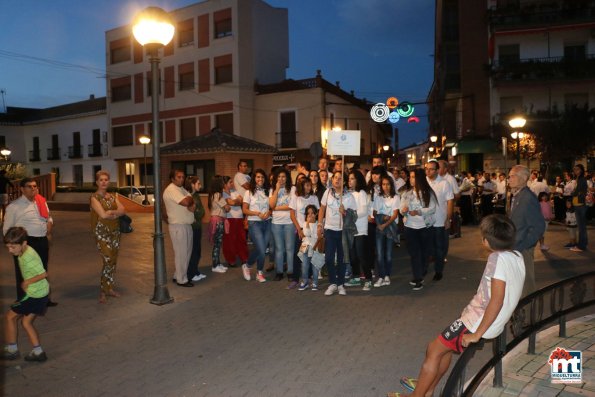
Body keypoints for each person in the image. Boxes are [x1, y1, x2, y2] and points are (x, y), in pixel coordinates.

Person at [393, 214, 525, 397]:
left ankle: (417, 396)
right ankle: (428, 390)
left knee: (433, 349)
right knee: (444, 349)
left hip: (477, 323)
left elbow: (497, 300)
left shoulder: (497, 259)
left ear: (486, 241)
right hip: (487, 321)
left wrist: (476, 334)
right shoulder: (517, 256)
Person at [3, 177, 56, 306]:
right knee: (23, 272)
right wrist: (13, 246)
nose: (33, 188)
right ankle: (23, 300)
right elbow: (7, 229)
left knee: (41, 269)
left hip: (41, 240)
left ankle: (43, 298)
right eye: (29, 186)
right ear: (22, 189)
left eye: (35, 186)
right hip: (25, 243)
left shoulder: (41, 201)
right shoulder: (14, 206)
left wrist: (50, 223)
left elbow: (48, 217)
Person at [3, 226, 50, 362]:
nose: (10, 250)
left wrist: (27, 281)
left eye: (13, 247)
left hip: (34, 295)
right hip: (41, 293)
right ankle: (38, 352)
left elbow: (43, 273)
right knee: (26, 322)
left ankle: (12, 350)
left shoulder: (28, 257)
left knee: (10, 317)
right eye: (8, 247)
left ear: (23, 243)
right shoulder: (25, 251)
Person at [507, 165, 545, 296]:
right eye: (509, 176)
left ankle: (529, 312)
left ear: (523, 178)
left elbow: (539, 227)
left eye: (512, 176)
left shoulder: (528, 198)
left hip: (522, 247)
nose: (509, 179)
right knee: (519, 281)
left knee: (527, 282)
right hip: (515, 245)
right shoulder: (518, 195)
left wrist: (523, 245)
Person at [90, 170, 126, 303]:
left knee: (113, 259)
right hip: (101, 233)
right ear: (97, 182)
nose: (104, 182)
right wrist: (113, 213)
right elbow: (103, 215)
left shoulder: (112, 196)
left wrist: (112, 211)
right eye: (101, 180)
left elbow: (123, 210)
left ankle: (109, 288)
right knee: (108, 259)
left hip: (115, 231)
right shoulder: (94, 198)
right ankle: (103, 290)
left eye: (106, 179)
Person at [319, 171, 356, 296]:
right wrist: (320, 224)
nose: (337, 180)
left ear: (344, 181)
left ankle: (340, 284)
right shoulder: (328, 192)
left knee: (342, 259)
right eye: (335, 178)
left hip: (343, 231)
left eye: (340, 178)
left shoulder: (349, 196)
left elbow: (354, 215)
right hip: (330, 230)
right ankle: (332, 283)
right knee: (329, 258)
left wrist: (345, 212)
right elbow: (322, 208)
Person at [400, 168, 437, 291]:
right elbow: (401, 208)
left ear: (419, 178)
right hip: (410, 227)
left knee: (425, 253)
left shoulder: (428, 193)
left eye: (413, 177)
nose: (411, 179)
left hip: (425, 227)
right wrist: (403, 210)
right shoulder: (406, 193)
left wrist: (418, 211)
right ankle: (418, 278)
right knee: (414, 254)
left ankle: (421, 272)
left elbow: (432, 209)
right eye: (410, 177)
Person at [163, 169, 196, 287]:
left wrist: (190, 199)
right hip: (178, 226)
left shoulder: (181, 189)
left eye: (183, 177)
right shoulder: (171, 189)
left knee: (186, 253)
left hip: (186, 225)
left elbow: (191, 205)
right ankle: (182, 280)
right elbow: (187, 202)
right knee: (181, 253)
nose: (182, 179)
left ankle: (178, 275)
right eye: (179, 177)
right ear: (172, 178)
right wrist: (190, 198)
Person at [425, 159, 454, 281]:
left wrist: (448, 218)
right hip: (424, 221)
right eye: (426, 169)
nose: (428, 171)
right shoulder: (423, 182)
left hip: (439, 221)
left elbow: (450, 201)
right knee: (426, 247)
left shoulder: (444, 183)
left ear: (437, 170)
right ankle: (423, 268)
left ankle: (438, 271)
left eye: (431, 169)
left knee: (438, 247)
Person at [344, 170, 372, 290]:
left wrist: (349, 216)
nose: (349, 181)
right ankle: (355, 277)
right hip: (350, 230)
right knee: (353, 256)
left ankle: (368, 279)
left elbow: (363, 211)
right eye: (349, 179)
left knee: (361, 255)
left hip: (360, 229)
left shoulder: (361, 193)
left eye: (352, 178)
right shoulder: (348, 194)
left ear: (358, 180)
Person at [242, 169, 271, 282]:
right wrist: (257, 213)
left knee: (262, 249)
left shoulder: (268, 191)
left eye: (262, 177)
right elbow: (245, 210)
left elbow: (272, 206)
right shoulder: (248, 192)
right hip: (254, 223)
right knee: (261, 249)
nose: (260, 179)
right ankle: (248, 265)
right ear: (254, 178)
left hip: (268, 222)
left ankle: (259, 272)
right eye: (258, 177)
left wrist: (269, 212)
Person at [290, 177, 319, 289]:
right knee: (298, 255)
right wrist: (299, 229)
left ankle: (310, 278)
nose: (309, 187)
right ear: (302, 186)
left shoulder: (314, 198)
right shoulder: (296, 198)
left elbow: (317, 214)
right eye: (306, 185)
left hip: (312, 232)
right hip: (300, 231)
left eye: (309, 185)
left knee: (311, 255)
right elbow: (292, 215)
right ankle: (295, 279)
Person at [269, 168, 297, 285]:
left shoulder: (293, 189)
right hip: (276, 223)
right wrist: (276, 190)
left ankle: (290, 272)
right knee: (279, 249)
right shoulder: (272, 190)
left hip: (289, 222)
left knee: (290, 249)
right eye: (279, 177)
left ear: (287, 178)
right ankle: (279, 272)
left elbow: (291, 206)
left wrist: (276, 208)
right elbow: (271, 204)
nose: (281, 179)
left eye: (283, 176)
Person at [373, 175, 400, 287]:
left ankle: (387, 275)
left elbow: (394, 215)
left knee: (388, 254)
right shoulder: (378, 197)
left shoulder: (396, 197)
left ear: (391, 185)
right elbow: (374, 212)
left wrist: (384, 224)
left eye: (388, 184)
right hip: (380, 227)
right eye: (383, 184)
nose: (385, 186)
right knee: (379, 254)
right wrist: (380, 224)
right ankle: (381, 276)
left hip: (390, 227)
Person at [222, 176, 248, 269]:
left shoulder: (234, 191)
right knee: (230, 240)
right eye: (230, 182)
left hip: (239, 218)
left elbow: (241, 200)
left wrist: (235, 201)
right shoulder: (222, 194)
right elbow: (232, 203)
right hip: (229, 219)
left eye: (232, 182)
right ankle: (231, 259)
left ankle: (244, 257)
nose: (232, 184)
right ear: (225, 184)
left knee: (241, 238)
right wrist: (236, 201)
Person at [185, 176, 207, 283]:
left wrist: (199, 212)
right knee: (193, 251)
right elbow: (196, 212)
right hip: (193, 227)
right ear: (192, 185)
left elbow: (201, 211)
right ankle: (191, 273)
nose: (200, 185)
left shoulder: (196, 195)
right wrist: (198, 213)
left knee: (197, 251)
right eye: (198, 183)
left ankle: (195, 270)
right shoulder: (189, 196)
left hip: (198, 226)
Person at [208, 175, 230, 274]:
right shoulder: (217, 195)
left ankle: (218, 263)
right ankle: (215, 265)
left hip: (217, 220)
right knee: (217, 244)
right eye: (222, 182)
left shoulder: (213, 194)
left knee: (218, 243)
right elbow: (227, 208)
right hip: (218, 221)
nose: (223, 184)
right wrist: (228, 204)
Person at [297, 205, 320, 291]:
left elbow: (317, 235)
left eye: (312, 213)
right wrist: (307, 223)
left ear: (316, 213)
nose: (310, 215)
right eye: (308, 213)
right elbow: (306, 234)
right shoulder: (304, 223)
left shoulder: (319, 223)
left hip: (315, 246)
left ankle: (315, 282)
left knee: (315, 265)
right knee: (304, 265)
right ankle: (305, 281)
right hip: (305, 246)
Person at [571, 164, 589, 252]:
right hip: (578, 204)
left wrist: (572, 193)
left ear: (581, 170)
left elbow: (576, 191)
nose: (575, 171)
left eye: (577, 169)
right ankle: (583, 244)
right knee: (581, 226)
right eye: (574, 169)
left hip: (580, 204)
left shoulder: (582, 179)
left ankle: (581, 246)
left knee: (581, 227)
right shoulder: (578, 179)